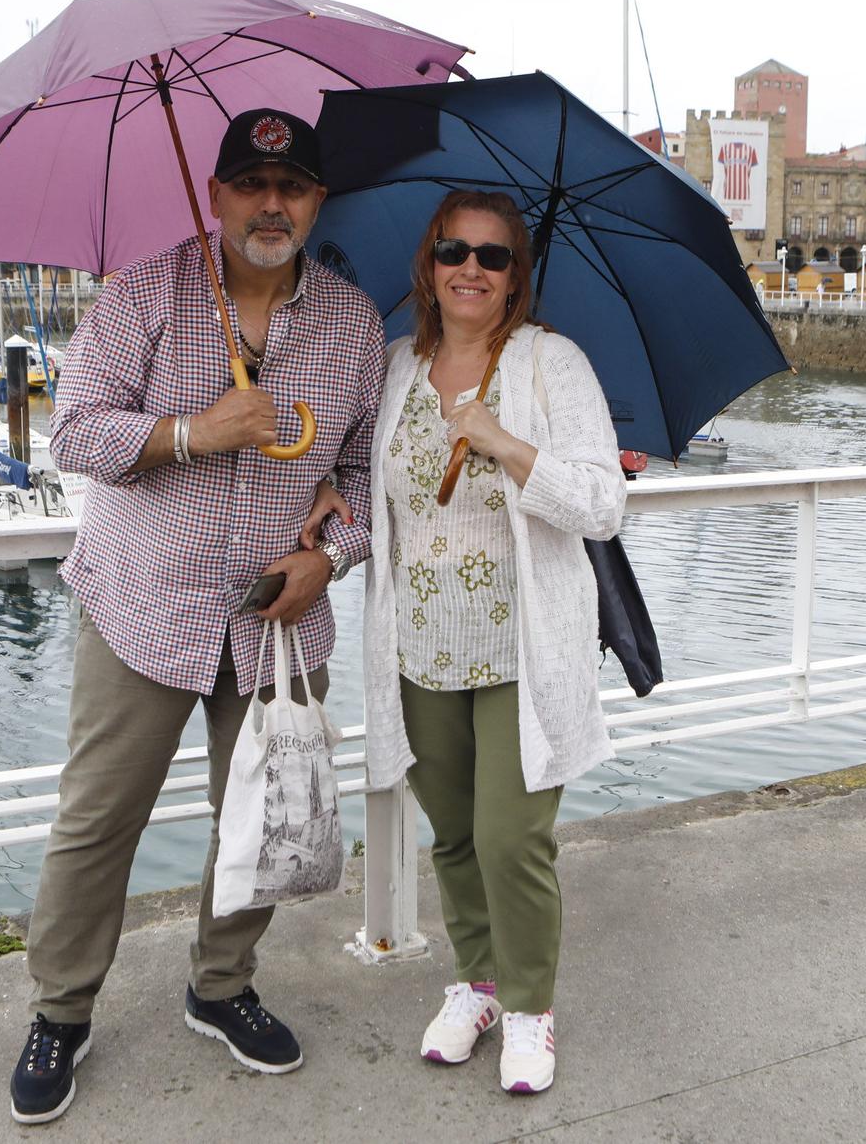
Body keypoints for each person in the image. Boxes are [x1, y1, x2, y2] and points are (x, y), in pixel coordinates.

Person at [7, 108, 384, 1126]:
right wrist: (193, 430)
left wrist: (329, 556)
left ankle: (220, 984)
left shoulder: (352, 324)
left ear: (315, 201)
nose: (273, 204)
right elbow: (74, 436)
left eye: (294, 187)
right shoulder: (144, 294)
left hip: (273, 613)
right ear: (214, 195)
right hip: (144, 602)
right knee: (97, 821)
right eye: (253, 185)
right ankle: (61, 1007)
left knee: (260, 816)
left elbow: (361, 471)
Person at [316, 189, 624, 1094]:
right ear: (429, 263)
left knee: (510, 839)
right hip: (420, 647)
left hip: (523, 653)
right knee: (453, 833)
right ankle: (477, 983)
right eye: (455, 251)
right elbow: (377, 492)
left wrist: (507, 445)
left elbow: (604, 503)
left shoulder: (549, 365)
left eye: (493, 257)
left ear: (516, 274)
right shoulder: (397, 369)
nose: (471, 270)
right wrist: (333, 501)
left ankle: (531, 1004)